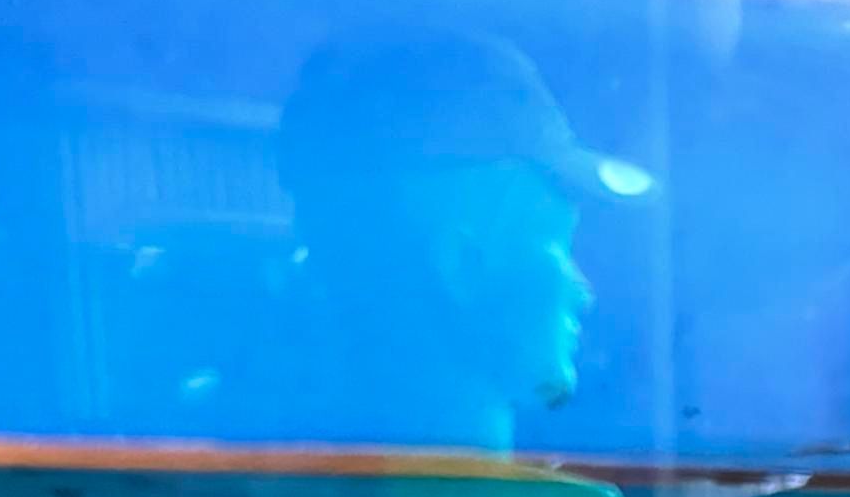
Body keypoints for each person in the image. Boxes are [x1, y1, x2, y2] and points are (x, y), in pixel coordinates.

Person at [260, 26, 652, 452]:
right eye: (559, 247)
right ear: (463, 264)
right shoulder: (590, 496)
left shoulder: (255, 474)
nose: (584, 292)